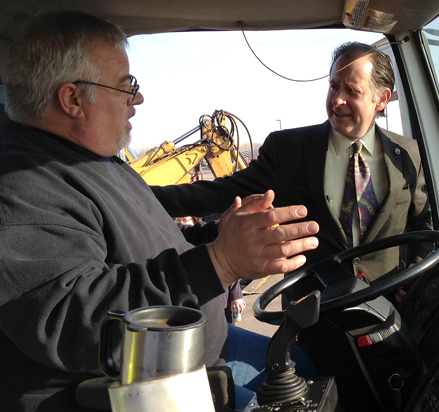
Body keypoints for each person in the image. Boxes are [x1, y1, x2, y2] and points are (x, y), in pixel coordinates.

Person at [0, 11, 320, 412]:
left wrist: (217, 238)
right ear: (72, 99)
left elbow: (153, 246)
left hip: (193, 349)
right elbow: (71, 319)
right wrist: (218, 262)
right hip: (133, 389)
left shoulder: (96, 161)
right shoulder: (20, 183)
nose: (137, 99)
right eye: (125, 86)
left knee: (306, 368)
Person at [151, 41, 433, 408]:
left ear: (382, 99)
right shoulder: (289, 149)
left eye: (352, 91)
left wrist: (413, 278)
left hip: (384, 326)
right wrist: (138, 194)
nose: (337, 100)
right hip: (316, 330)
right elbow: (217, 193)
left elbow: (423, 225)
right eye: (334, 87)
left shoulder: (406, 153)